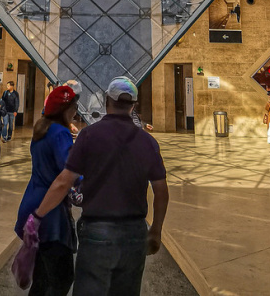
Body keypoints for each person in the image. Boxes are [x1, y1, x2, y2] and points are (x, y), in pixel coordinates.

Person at [30, 77, 169, 296]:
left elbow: (64, 181)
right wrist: (156, 231)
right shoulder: (147, 142)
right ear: (133, 104)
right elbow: (161, 191)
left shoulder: (89, 135)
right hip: (134, 231)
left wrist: (37, 216)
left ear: (107, 101)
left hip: (97, 230)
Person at [15, 85, 79, 296]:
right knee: (62, 277)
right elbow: (68, 170)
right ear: (64, 110)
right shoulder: (61, 133)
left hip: (32, 199)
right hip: (49, 210)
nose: (76, 111)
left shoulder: (42, 128)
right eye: (73, 107)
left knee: (42, 275)